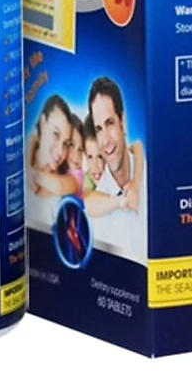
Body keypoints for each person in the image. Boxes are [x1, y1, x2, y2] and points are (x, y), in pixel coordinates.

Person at [85, 77, 147, 261]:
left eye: (109, 123)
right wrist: (121, 201)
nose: (105, 140)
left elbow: (138, 146)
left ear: (123, 122)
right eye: (98, 129)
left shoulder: (152, 174)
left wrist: (136, 182)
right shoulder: (97, 215)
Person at [26, 94, 77, 198]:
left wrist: (33, 175)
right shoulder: (24, 153)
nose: (60, 152)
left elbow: (61, 186)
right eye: (55, 134)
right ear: (43, 123)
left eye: (65, 144)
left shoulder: (67, 181)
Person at [82, 115, 106, 193]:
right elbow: (87, 195)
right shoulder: (87, 179)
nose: (95, 165)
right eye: (90, 157)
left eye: (100, 156)